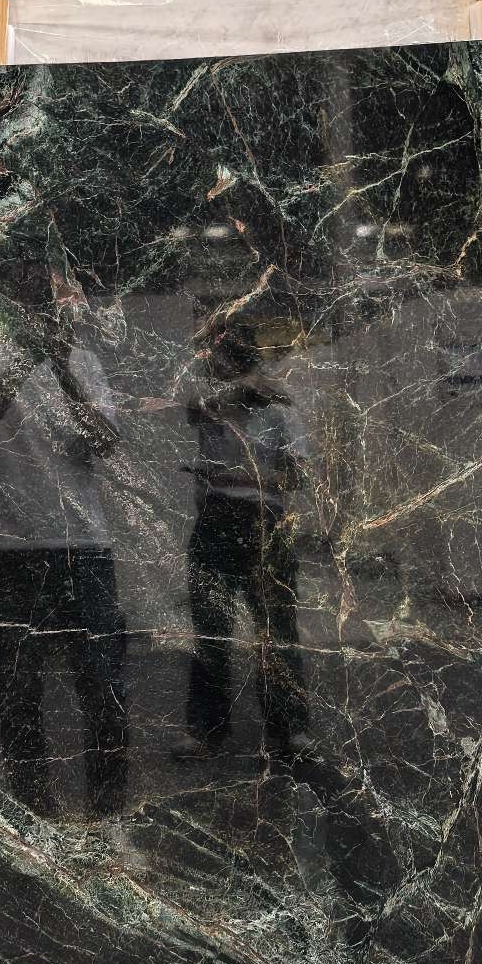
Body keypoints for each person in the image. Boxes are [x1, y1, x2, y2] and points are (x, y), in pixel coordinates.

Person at [0, 269, 128, 820]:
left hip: (82, 544)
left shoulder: (82, 363)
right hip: (8, 548)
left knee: (103, 684)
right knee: (19, 687)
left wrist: (62, 371)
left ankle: (107, 813)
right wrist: (23, 363)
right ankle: (33, 814)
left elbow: (104, 442)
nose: (45, 312)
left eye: (51, 302)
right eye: (31, 301)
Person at [174, 323, 313, 764]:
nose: (213, 365)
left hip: (263, 521)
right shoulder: (213, 400)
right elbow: (192, 406)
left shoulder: (278, 409)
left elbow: (298, 474)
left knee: (276, 630)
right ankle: (206, 729)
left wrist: (247, 475)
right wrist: (241, 389)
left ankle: (288, 729)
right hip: (216, 520)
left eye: (221, 357)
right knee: (210, 630)